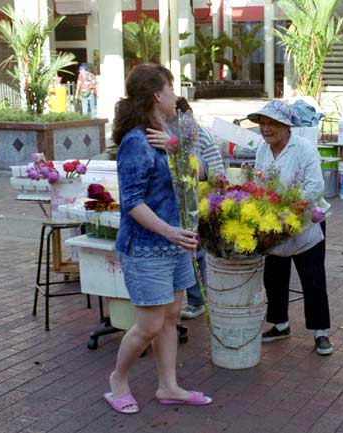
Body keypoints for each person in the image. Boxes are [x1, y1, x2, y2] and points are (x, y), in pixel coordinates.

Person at [105, 63, 212, 414]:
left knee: (171, 315)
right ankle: (118, 380)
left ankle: (169, 386)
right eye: (171, 89)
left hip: (175, 244)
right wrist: (168, 231)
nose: (175, 96)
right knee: (149, 323)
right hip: (148, 246)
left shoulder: (168, 132)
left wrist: (176, 147)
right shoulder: (136, 141)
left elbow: (201, 172)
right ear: (156, 95)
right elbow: (132, 202)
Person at [247, 100, 333, 355]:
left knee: (313, 278)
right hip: (274, 224)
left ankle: (320, 332)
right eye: (263, 123)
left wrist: (291, 211)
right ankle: (280, 324)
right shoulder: (262, 150)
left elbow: (315, 186)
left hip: (305, 220)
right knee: (274, 276)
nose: (266, 128)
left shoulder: (304, 148)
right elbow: (259, 182)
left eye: (272, 123)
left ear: (286, 127)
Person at [146, 97, 226, 320]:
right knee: (191, 245)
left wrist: (174, 147)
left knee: (194, 246)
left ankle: (197, 299)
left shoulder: (190, 132)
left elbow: (207, 171)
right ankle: (195, 298)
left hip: (204, 192)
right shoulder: (168, 132)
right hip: (185, 193)